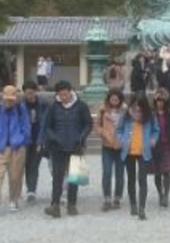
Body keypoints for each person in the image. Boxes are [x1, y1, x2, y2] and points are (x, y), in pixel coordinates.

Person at [43, 81, 92, 218]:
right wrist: (53, 138)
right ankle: (55, 205)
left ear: (70, 91)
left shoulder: (81, 106)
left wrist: (81, 137)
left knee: (74, 177)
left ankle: (72, 205)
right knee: (57, 178)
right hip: (57, 147)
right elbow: (47, 126)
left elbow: (88, 124)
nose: (63, 97)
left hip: (76, 145)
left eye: (65, 94)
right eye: (60, 95)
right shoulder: (54, 107)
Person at [0, 85, 30, 215]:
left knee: (15, 176)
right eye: (7, 98)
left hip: (17, 147)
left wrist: (22, 140)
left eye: (12, 99)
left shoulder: (21, 110)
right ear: (3, 97)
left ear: (16, 98)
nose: (9, 101)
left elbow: (26, 127)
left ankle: (14, 199)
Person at [117, 93, 160, 220]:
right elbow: (118, 130)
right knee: (131, 179)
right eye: (135, 105)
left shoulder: (150, 116)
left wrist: (153, 139)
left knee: (142, 179)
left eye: (140, 106)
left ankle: (142, 207)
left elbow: (156, 130)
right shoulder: (126, 115)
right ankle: (133, 205)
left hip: (144, 151)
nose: (137, 109)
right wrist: (122, 140)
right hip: (129, 151)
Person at [94, 89, 126, 212]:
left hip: (121, 146)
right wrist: (103, 133)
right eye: (112, 99)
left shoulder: (125, 111)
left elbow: (130, 126)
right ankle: (107, 198)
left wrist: (125, 138)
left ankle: (117, 198)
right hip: (107, 146)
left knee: (120, 174)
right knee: (107, 172)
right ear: (109, 99)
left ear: (120, 100)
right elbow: (97, 125)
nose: (114, 101)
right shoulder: (102, 110)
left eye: (116, 99)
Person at [21, 81, 48, 203]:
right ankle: (30, 189)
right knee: (27, 164)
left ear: (36, 92)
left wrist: (42, 140)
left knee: (35, 164)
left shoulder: (44, 103)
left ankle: (32, 189)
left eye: (31, 93)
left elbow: (47, 122)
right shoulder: (20, 105)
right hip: (26, 139)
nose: (29, 96)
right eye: (27, 93)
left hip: (40, 137)